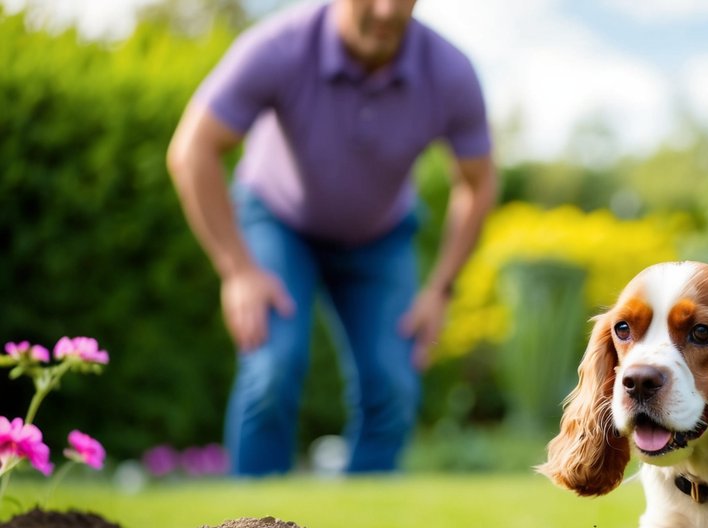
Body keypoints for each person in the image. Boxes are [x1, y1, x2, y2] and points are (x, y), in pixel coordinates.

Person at [167, 0, 497, 476]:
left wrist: (440, 288)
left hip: (380, 238)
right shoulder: (278, 46)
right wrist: (237, 269)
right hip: (278, 220)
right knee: (271, 370)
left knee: (394, 386)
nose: (386, 11)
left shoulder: (449, 71)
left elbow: (478, 182)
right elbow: (192, 149)